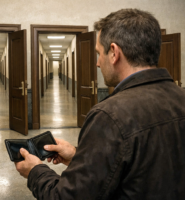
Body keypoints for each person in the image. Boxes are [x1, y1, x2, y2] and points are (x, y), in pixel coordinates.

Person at [15, 8, 185, 199]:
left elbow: (67, 196)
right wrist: (79, 156)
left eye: (99, 53)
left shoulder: (110, 115)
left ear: (114, 52)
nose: (97, 63)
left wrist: (36, 171)